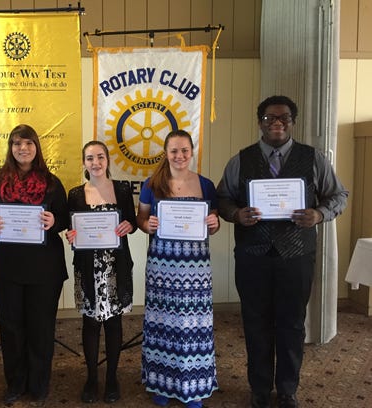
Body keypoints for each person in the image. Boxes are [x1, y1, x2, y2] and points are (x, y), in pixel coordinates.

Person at [216, 95, 348, 408]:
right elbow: (223, 199)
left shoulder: (313, 158)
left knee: (291, 323)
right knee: (255, 322)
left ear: (292, 122)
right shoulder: (241, 159)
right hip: (252, 256)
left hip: (297, 256)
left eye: (284, 118)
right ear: (259, 122)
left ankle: (288, 389)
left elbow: (338, 195)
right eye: (270, 118)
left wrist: (318, 215)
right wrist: (237, 214)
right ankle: (259, 389)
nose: (277, 123)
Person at [0, 124, 68, 407]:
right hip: (7, 267)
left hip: (44, 268)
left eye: (28, 143)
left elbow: (65, 219)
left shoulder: (52, 182)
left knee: (41, 327)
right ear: (11, 147)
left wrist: (55, 222)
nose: (23, 149)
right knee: (11, 327)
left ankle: (39, 383)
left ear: (36, 147)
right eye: (17, 143)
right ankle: (15, 383)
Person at [136, 129, 220, 408]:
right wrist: (147, 225)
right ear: (166, 152)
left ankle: (193, 387)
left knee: (193, 325)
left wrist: (214, 224)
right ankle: (163, 385)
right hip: (162, 266)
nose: (180, 156)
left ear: (192, 151)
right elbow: (142, 218)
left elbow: (214, 222)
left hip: (195, 269)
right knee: (163, 324)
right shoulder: (152, 183)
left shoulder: (206, 185)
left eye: (184, 150)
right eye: (174, 151)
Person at [65, 141, 137, 404]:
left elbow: (132, 223)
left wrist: (129, 225)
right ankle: (92, 377)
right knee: (91, 324)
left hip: (115, 267)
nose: (95, 162)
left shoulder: (122, 189)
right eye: (89, 158)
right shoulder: (74, 194)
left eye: (99, 157)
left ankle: (112, 378)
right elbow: (70, 229)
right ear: (83, 163)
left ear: (107, 160)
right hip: (87, 267)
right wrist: (70, 235)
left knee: (114, 323)